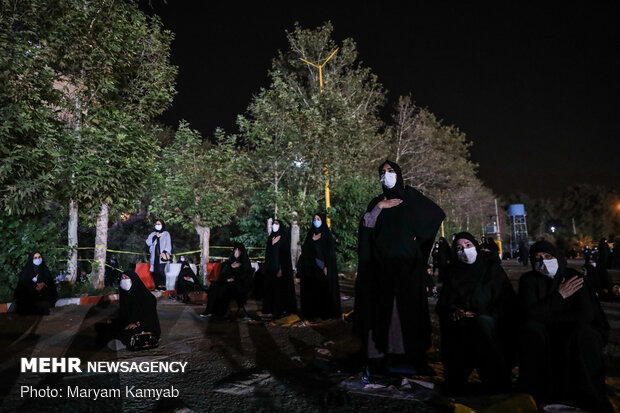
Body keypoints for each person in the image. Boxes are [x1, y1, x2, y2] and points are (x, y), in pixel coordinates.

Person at [354, 160, 445, 374]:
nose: (386, 175)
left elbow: (436, 215)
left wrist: (419, 242)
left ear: (399, 174)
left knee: (408, 310)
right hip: (380, 266)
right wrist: (379, 208)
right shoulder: (376, 202)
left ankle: (411, 357)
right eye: (383, 172)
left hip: (407, 266)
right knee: (385, 310)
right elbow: (367, 229)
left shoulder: (410, 198)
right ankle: (383, 356)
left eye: (391, 171)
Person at [518, 240, 611, 412]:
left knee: (582, 335)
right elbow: (529, 314)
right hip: (546, 332)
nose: (543, 261)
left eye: (548, 256)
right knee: (531, 331)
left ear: (557, 257)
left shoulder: (574, 277)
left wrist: (547, 313)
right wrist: (560, 296)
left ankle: (589, 394)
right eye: (538, 258)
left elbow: (585, 315)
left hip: (575, 330)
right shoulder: (529, 281)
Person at [436, 232, 515, 395]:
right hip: (461, 323)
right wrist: (455, 312)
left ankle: (496, 381)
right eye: (459, 247)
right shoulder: (453, 273)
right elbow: (444, 303)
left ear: (476, 246)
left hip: (489, 321)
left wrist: (482, 314)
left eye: (468, 245)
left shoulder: (492, 270)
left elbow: (506, 301)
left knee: (482, 327)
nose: (464, 250)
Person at [297, 213, 341, 320]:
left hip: (323, 269)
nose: (316, 221)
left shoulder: (326, 235)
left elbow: (329, 254)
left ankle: (325, 313)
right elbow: (306, 252)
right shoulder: (310, 234)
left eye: (318, 219)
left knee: (324, 291)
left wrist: (326, 266)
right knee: (313, 291)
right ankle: (313, 313)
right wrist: (313, 241)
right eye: (314, 219)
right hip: (311, 270)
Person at [201, 243, 253, 318]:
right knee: (214, 285)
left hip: (239, 286)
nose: (236, 252)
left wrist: (234, 279)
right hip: (227, 283)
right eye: (235, 250)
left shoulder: (245, 263)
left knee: (222, 288)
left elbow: (246, 277)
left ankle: (220, 312)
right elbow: (223, 274)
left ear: (242, 252)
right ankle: (210, 311)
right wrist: (228, 273)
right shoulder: (230, 262)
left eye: (239, 250)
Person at [262, 219, 297, 318]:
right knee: (270, 289)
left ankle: (281, 310)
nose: (274, 225)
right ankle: (270, 309)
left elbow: (285, 256)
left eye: (276, 224)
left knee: (280, 290)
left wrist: (281, 269)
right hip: (270, 269)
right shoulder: (270, 238)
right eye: (273, 224)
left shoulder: (284, 238)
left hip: (280, 268)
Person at [118, 270, 161, 347]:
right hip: (129, 325)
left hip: (145, 326)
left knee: (127, 334)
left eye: (126, 277)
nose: (123, 280)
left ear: (134, 280)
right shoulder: (125, 296)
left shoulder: (148, 297)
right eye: (122, 278)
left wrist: (137, 324)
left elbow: (150, 317)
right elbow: (124, 315)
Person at [146, 219, 172, 291]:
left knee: (161, 271)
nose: (157, 225)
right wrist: (156, 237)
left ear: (162, 225)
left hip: (162, 255)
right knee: (155, 272)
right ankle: (157, 286)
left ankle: (163, 285)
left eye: (159, 224)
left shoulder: (166, 233)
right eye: (156, 224)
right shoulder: (152, 234)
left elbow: (168, 244)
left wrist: (165, 251)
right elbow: (148, 243)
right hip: (154, 256)